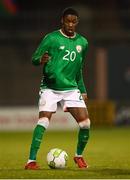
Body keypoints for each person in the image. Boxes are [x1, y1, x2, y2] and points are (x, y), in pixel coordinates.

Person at [25, 7, 90, 170]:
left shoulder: (83, 42)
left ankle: (79, 156)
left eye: (73, 21)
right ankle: (31, 161)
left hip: (71, 88)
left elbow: (79, 69)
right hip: (50, 88)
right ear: (62, 20)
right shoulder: (51, 38)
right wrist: (41, 60)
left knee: (85, 124)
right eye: (67, 21)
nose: (70, 24)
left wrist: (82, 90)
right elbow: (34, 59)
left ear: (77, 22)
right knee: (44, 121)